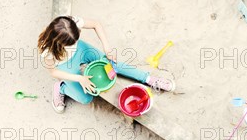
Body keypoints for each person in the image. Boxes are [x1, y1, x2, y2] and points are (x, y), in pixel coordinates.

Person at [38, 16, 175, 113]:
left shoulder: (70, 23)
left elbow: (96, 24)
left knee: (110, 63)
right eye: (71, 42)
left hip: (82, 50)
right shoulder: (47, 50)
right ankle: (61, 88)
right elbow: (53, 72)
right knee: (86, 98)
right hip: (66, 65)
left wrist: (107, 48)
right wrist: (80, 78)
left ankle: (148, 78)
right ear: (58, 43)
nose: (75, 41)